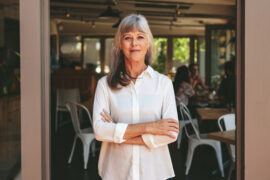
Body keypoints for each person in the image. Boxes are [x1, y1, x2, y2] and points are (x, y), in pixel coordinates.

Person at [93, 14, 179, 180]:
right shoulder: (105, 84)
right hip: (115, 171)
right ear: (119, 44)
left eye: (140, 37)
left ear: (148, 43)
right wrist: (150, 127)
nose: (134, 43)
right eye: (127, 37)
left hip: (153, 172)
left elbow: (171, 133)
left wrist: (118, 135)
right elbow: (99, 131)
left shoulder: (163, 84)